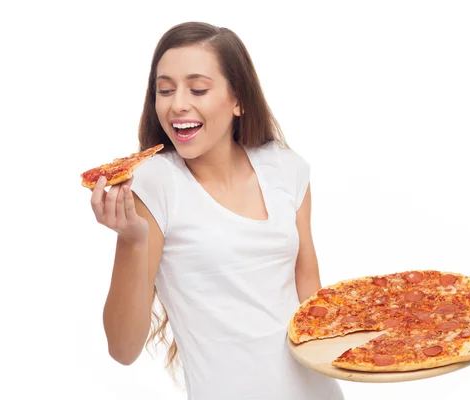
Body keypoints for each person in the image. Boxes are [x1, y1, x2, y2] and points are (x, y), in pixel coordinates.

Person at [89, 21, 344, 400]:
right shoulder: (155, 183)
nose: (177, 104)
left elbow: (313, 304)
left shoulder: (286, 169)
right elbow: (122, 349)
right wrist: (131, 240)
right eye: (164, 90)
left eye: (198, 89)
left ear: (238, 99)